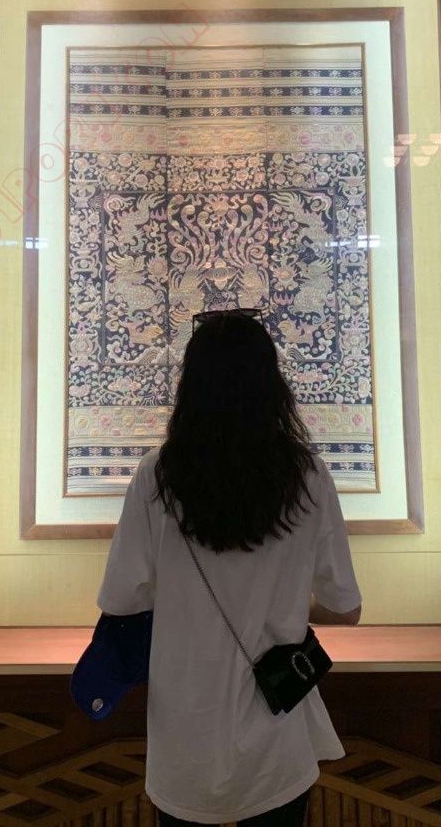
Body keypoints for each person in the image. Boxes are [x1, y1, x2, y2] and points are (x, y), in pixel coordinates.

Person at [97, 310, 362, 826]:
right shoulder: (308, 476)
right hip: (277, 727)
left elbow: (123, 599)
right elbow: (345, 608)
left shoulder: (157, 477)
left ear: (190, 388)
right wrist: (288, 606)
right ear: (272, 386)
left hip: (184, 731)